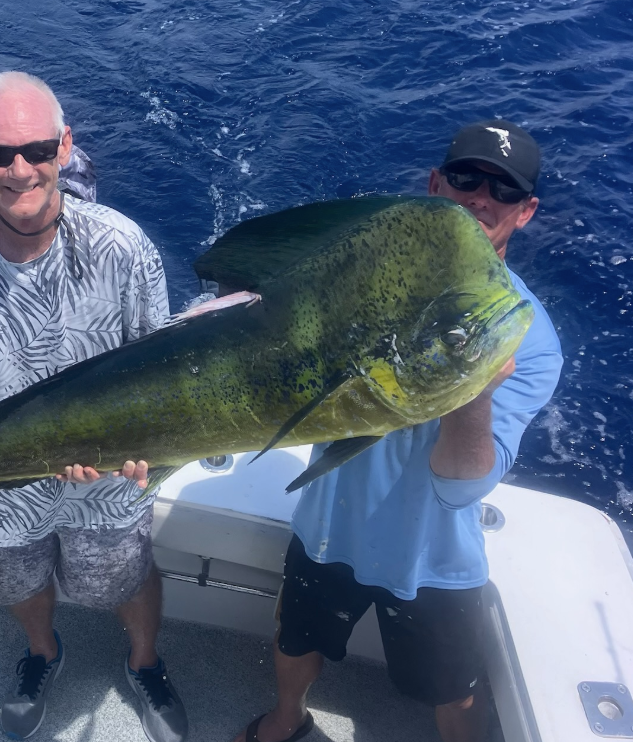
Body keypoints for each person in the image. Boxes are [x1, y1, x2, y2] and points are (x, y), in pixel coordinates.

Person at [232, 120, 563, 742]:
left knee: (452, 690)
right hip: (327, 522)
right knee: (296, 635)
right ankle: (287, 719)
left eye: (504, 190)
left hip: (432, 556)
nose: (480, 198)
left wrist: (475, 394)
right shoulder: (355, 276)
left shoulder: (527, 335)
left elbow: (463, 489)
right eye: (466, 178)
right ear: (436, 184)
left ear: (525, 212)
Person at [0, 71, 188, 742]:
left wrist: (151, 447)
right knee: (9, 576)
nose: (19, 169)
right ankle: (42, 654)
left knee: (120, 578)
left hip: (109, 480)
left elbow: (159, 367)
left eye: (35, 150)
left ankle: (145, 661)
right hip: (1, 475)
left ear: (64, 148)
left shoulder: (122, 244)